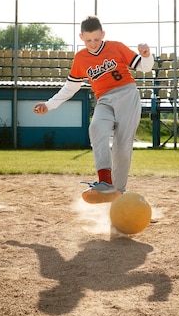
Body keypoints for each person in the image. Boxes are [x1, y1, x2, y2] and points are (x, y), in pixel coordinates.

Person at [34, 16, 154, 203]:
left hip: (127, 96)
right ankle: (105, 182)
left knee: (122, 146)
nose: (93, 43)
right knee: (96, 128)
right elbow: (70, 87)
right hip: (104, 100)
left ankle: (118, 192)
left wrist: (146, 55)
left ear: (103, 35)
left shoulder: (116, 46)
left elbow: (144, 67)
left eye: (97, 39)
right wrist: (49, 105)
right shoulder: (80, 58)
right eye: (88, 40)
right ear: (81, 37)